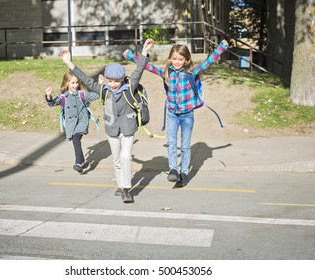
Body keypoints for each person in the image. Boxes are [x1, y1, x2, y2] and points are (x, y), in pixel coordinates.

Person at [123, 39, 229, 187]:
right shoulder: (166, 73)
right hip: (172, 114)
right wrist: (130, 56)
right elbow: (147, 66)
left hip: (187, 115)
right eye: (174, 59)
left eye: (180, 59)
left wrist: (222, 47)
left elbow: (209, 61)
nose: (177, 62)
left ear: (186, 60)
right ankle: (173, 169)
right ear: (170, 59)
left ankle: (184, 173)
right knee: (172, 143)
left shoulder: (192, 72)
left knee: (185, 146)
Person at [61, 39, 154, 203]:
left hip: (128, 127)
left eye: (116, 81)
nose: (113, 84)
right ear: (106, 79)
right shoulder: (104, 89)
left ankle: (126, 188)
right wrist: (69, 62)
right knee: (117, 160)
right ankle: (120, 185)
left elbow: (139, 70)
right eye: (110, 81)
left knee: (126, 157)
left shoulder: (130, 86)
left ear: (122, 79)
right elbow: (86, 79)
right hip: (111, 129)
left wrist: (145, 51)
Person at [45, 72, 99, 173]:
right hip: (70, 124)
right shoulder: (63, 97)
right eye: (73, 83)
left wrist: (99, 85)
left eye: (77, 83)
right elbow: (52, 103)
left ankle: (78, 163)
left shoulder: (82, 94)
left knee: (76, 138)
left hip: (82, 121)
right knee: (75, 139)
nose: (75, 85)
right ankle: (82, 162)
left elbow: (96, 96)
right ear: (66, 84)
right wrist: (48, 95)